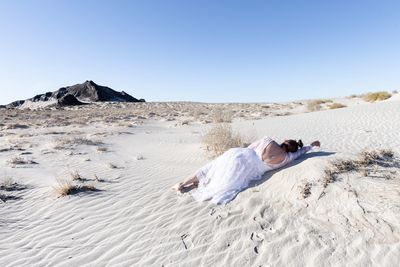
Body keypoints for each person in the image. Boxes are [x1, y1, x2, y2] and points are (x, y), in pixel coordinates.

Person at [172, 136, 320, 204]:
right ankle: (193, 186)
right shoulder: (286, 158)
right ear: (291, 150)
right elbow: (301, 152)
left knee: (211, 168)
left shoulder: (268, 140)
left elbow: (250, 147)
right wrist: (311, 145)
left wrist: (243, 155)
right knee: (223, 183)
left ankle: (182, 183)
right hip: (248, 169)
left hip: (239, 154)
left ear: (284, 141)